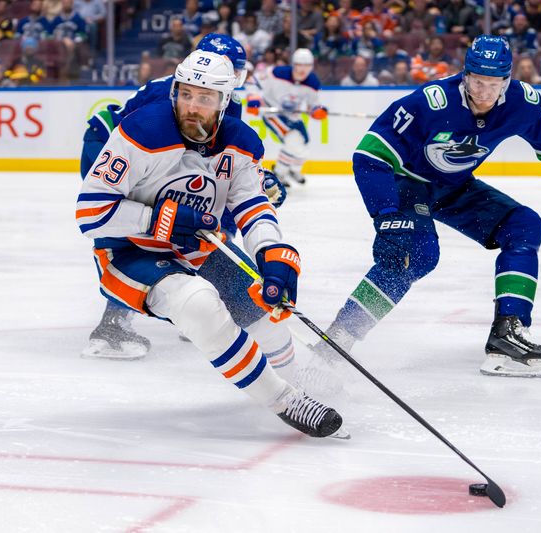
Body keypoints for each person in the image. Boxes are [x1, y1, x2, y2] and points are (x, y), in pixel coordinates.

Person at [310, 35, 541, 378]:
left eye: (493, 84)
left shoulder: (522, 104)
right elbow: (370, 155)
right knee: (418, 253)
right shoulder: (429, 102)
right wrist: (386, 215)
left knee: (524, 225)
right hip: (407, 182)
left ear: (507, 80)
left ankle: (508, 333)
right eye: (477, 81)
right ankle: (339, 337)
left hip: (452, 186)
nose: (484, 92)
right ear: (465, 74)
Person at [76, 50, 345, 438]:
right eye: (186, 94)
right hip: (131, 252)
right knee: (198, 303)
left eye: (204, 98)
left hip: (197, 247)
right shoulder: (142, 132)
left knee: (264, 308)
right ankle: (287, 400)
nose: (192, 106)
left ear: (224, 100)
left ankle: (292, 373)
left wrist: (273, 252)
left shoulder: (240, 142)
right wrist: (159, 219)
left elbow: (252, 205)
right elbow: (90, 211)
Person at [80, 33, 286, 360]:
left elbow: (219, 167)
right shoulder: (172, 92)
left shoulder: (225, 99)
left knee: (192, 223)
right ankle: (112, 326)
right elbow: (164, 164)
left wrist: (259, 180)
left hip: (148, 165)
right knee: (138, 236)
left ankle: (190, 302)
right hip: (108, 150)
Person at [246, 48, 328, 186]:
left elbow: (314, 104)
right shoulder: (277, 73)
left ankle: (293, 170)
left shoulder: (312, 82)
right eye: (299, 65)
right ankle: (280, 173)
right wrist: (253, 97)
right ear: (293, 64)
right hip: (272, 112)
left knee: (304, 143)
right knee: (293, 141)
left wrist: (317, 110)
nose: (302, 69)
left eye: (306, 65)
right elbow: (252, 80)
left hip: (292, 115)